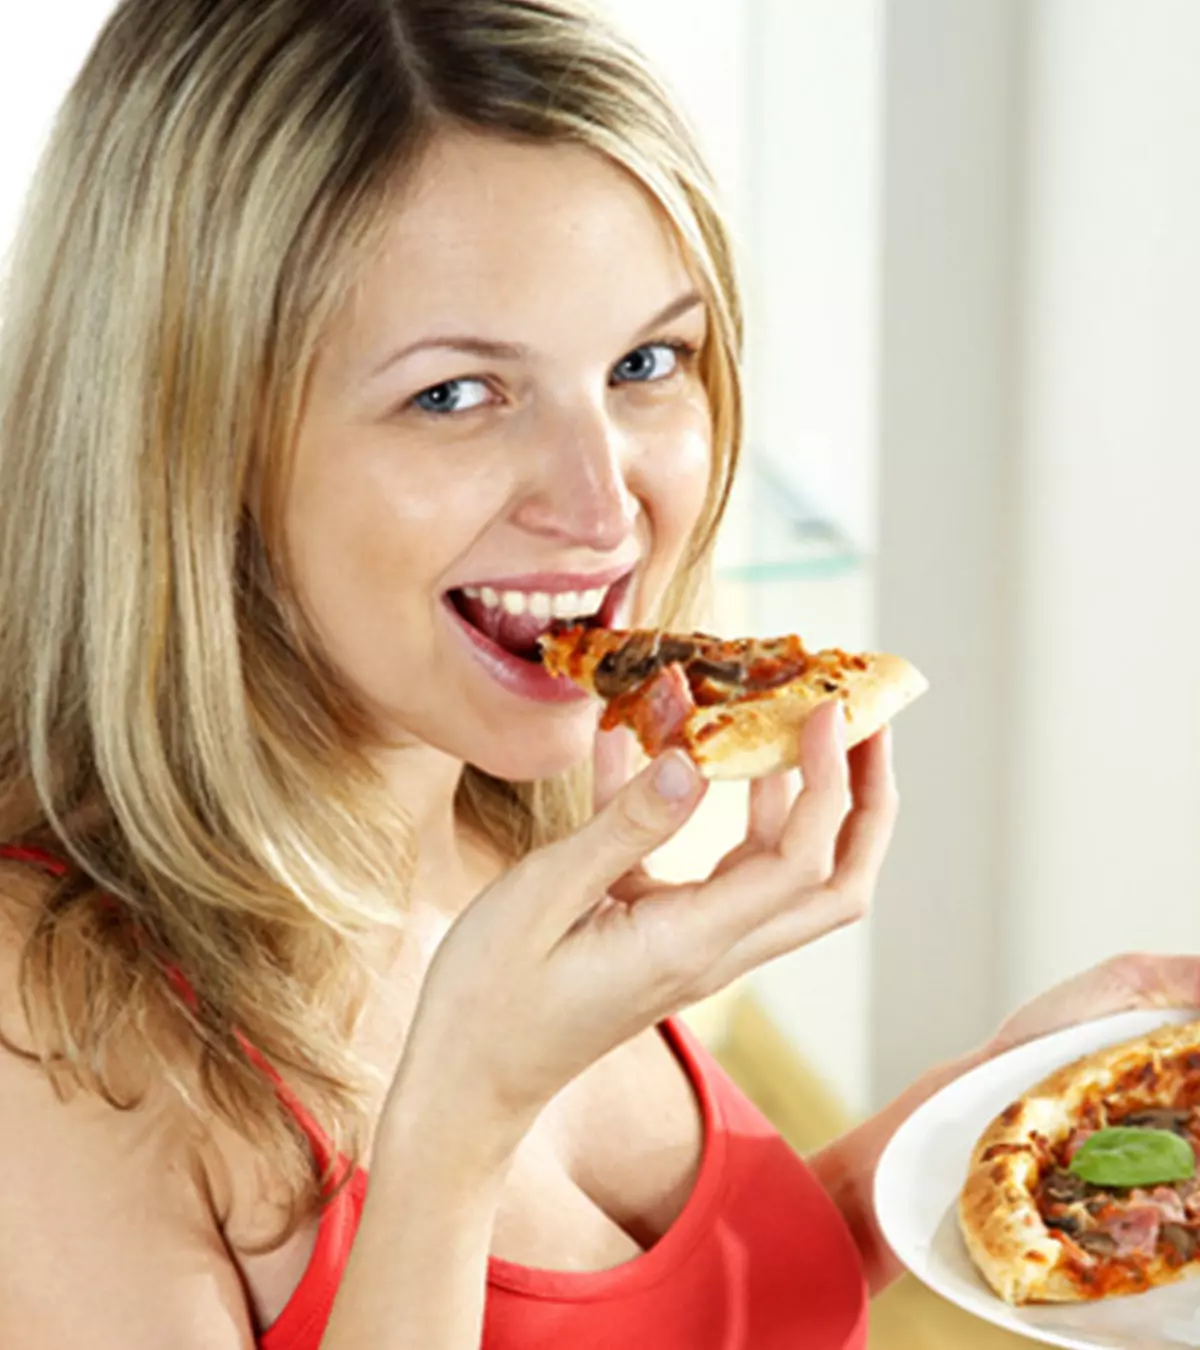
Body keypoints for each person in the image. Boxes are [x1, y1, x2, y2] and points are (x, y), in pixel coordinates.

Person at [0, 1, 1194, 1346]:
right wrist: (461, 1121)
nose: (603, 502)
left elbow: (697, 1312)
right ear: (188, 440)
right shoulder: (39, 1025)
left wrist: (991, 1109)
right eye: (456, 393)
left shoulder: (499, 808)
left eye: (646, 362)